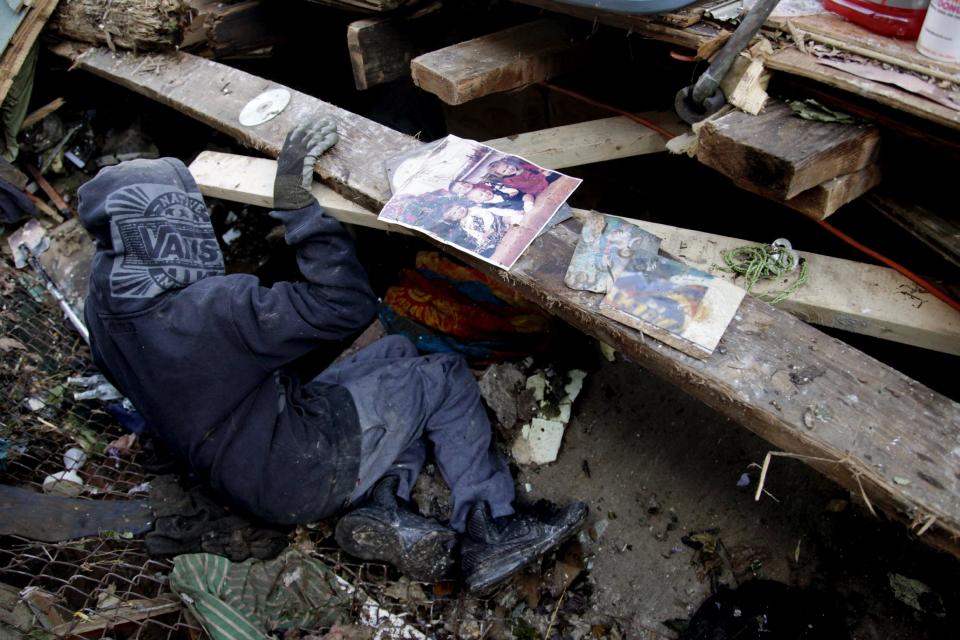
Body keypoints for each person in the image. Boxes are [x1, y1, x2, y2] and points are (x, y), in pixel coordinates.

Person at [77, 120, 587, 593]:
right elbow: (348, 306)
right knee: (444, 375)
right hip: (299, 469)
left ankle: (386, 502)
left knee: (397, 349)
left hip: (242, 454)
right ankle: (491, 526)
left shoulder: (102, 304)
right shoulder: (214, 311)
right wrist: (297, 207)